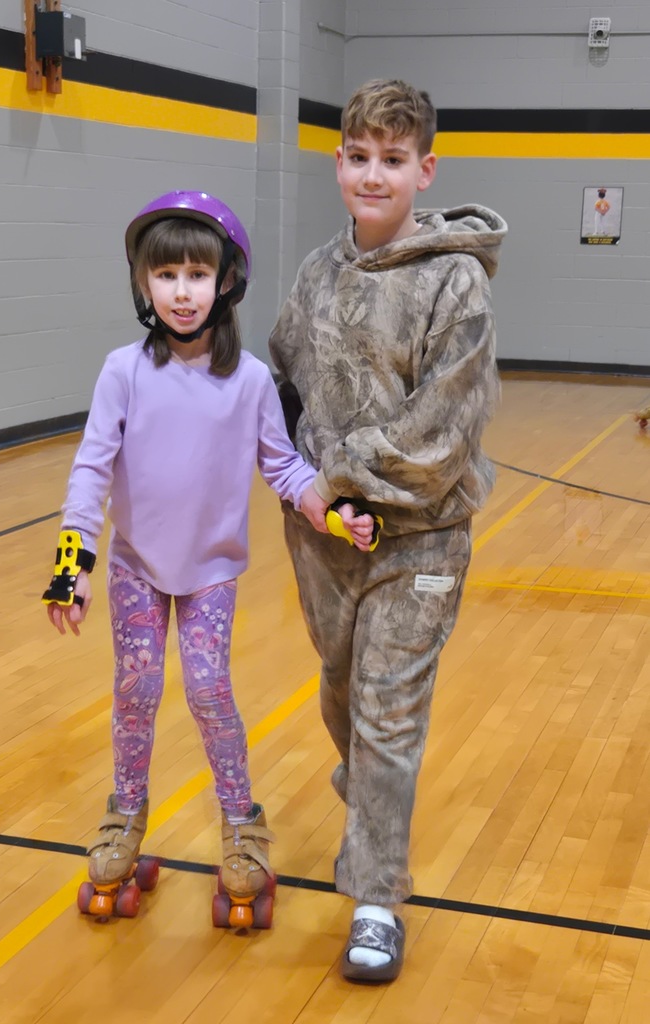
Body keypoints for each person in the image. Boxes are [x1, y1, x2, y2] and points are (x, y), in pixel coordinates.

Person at [42, 191, 364, 926]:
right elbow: (91, 468)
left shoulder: (248, 379)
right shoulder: (122, 371)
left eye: (196, 275)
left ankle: (241, 823)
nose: (181, 292)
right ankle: (125, 815)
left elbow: (282, 469)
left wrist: (333, 509)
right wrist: (73, 563)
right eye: (165, 277)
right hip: (133, 566)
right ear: (143, 286)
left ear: (226, 283)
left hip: (212, 571)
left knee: (210, 690)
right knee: (137, 689)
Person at [269, 79, 507, 980]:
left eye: (394, 159)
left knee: (387, 715)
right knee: (342, 700)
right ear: (339, 165)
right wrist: (299, 488)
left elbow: (442, 438)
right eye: (359, 157)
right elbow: (284, 383)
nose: (375, 175)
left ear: (425, 168)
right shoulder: (316, 274)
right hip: (325, 542)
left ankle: (375, 900)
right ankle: (371, 791)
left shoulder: (455, 283)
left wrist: (339, 470)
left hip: (422, 541)